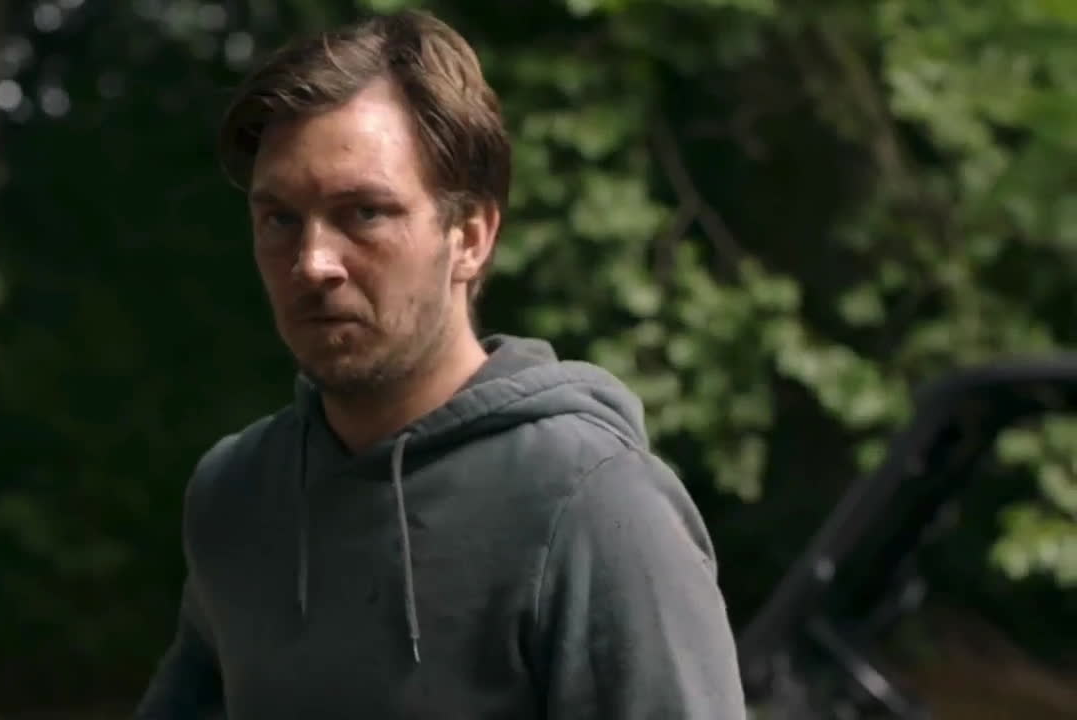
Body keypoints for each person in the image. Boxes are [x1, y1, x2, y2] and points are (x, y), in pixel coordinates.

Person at [135, 9, 745, 719]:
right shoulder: (236, 495)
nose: (313, 263)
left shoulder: (592, 506)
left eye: (364, 212)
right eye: (280, 219)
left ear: (471, 238)